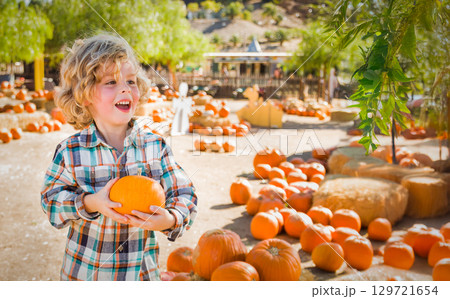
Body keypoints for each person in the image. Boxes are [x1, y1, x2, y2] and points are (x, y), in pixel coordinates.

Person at [41, 34, 198, 281]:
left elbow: (185, 194)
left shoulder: (155, 147)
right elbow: (50, 202)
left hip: (141, 276)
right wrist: (91, 202)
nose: (125, 88)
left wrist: (169, 219)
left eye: (131, 81)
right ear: (84, 95)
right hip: (86, 276)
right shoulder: (71, 151)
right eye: (111, 82)